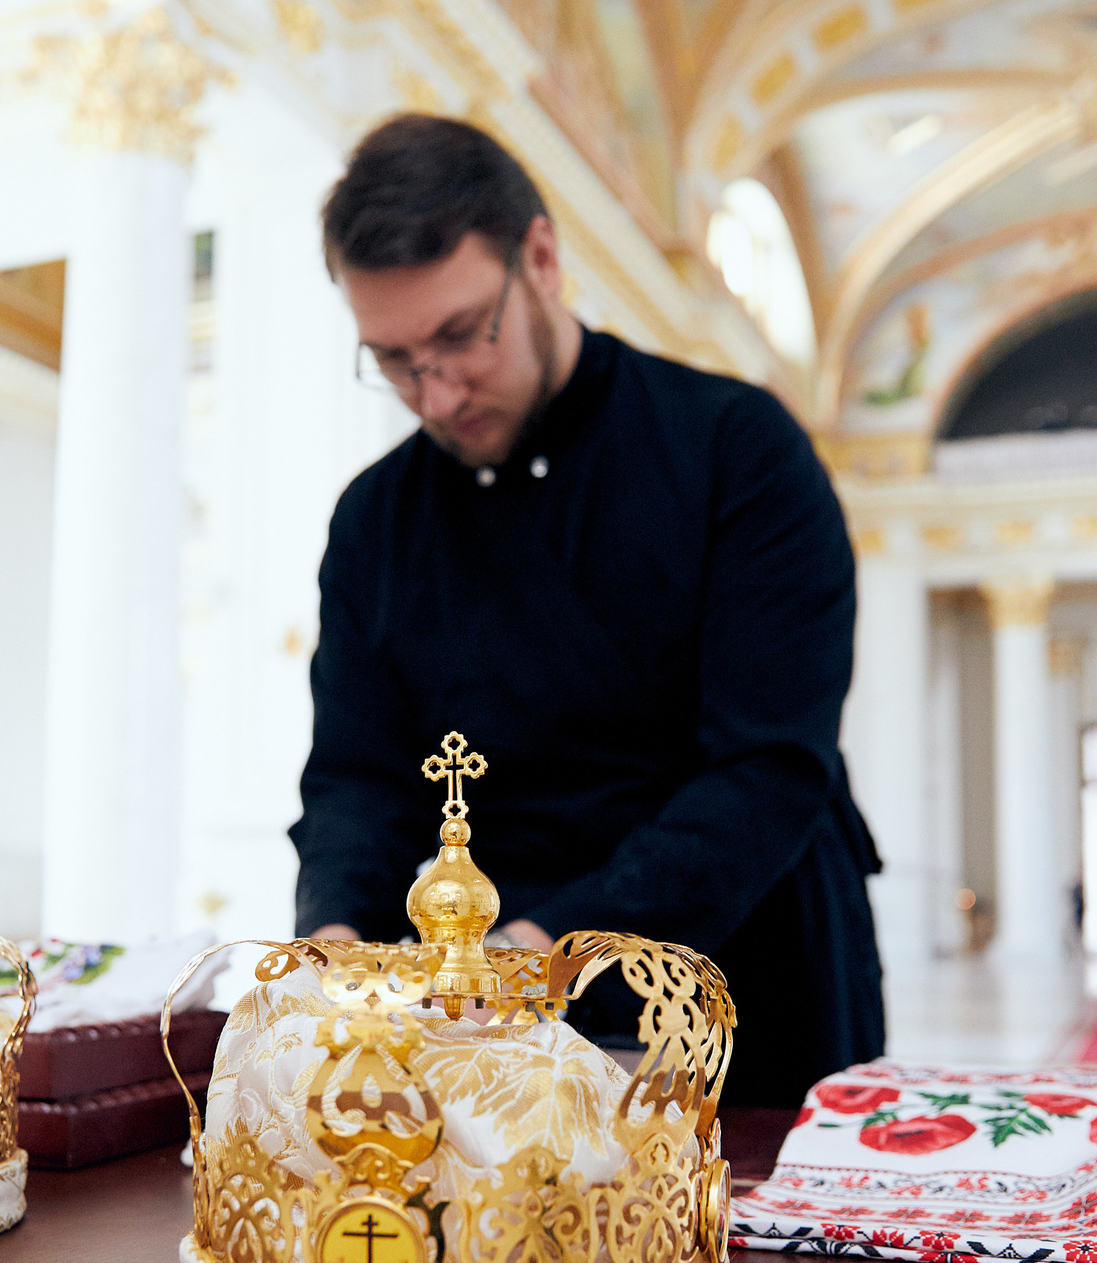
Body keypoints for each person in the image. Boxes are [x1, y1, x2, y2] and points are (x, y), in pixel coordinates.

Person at [289, 113, 885, 1113]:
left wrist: (542, 952)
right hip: (475, 1021)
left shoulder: (738, 451)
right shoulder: (373, 520)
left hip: (740, 986)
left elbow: (765, 765)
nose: (434, 394)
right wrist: (337, 938)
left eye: (458, 335)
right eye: (393, 359)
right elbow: (357, 776)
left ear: (541, 258)